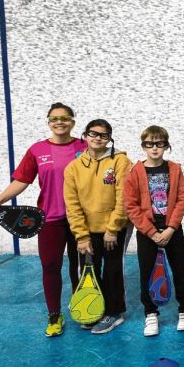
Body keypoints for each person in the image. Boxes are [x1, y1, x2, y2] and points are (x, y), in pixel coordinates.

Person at [0, 102, 85, 337]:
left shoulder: (85, 146)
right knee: (50, 266)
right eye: (54, 119)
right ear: (49, 123)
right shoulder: (37, 150)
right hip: (50, 219)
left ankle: (82, 308)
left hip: (81, 218)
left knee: (81, 267)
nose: (59, 122)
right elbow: (22, 180)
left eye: (64, 118)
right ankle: (54, 315)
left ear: (73, 122)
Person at [63, 119, 132, 334]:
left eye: (103, 135)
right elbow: (72, 204)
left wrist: (113, 229)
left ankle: (114, 312)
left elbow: (124, 198)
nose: (97, 138)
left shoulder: (121, 162)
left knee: (112, 270)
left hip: (114, 229)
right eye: (93, 133)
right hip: (87, 230)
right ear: (85, 136)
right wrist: (81, 235)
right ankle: (96, 310)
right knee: (89, 271)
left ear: (109, 139)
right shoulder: (73, 167)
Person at [123, 126, 184, 336]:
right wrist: (151, 232)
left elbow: (181, 200)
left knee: (180, 270)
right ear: (143, 146)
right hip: (147, 233)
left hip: (172, 230)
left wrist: (171, 228)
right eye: (149, 144)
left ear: (166, 145)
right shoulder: (134, 172)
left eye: (159, 144)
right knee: (147, 272)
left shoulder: (175, 169)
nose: (154, 148)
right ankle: (151, 313)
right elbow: (131, 206)